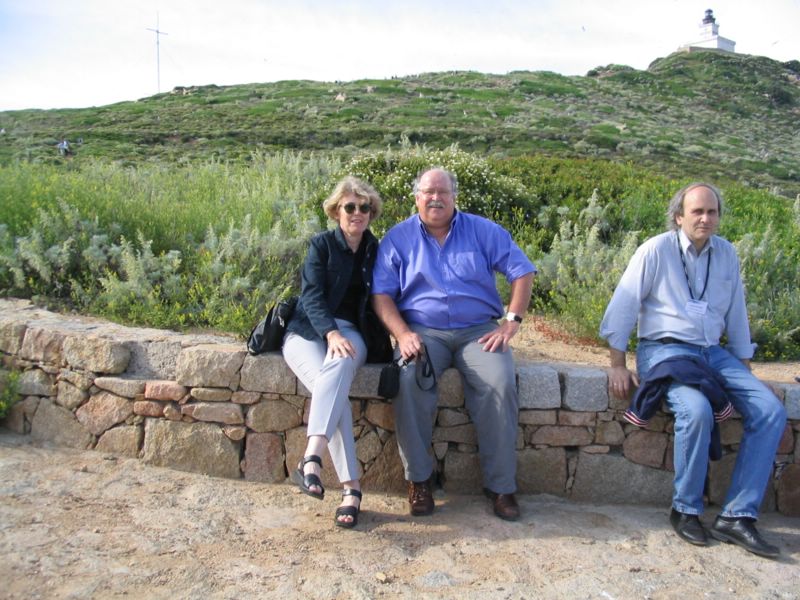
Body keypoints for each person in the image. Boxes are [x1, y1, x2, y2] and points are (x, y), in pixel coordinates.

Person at [600, 182, 787, 558]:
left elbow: (736, 313)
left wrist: (744, 370)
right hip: (664, 350)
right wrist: (617, 364)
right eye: (697, 211)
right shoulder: (655, 250)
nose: (705, 218)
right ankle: (685, 509)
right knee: (696, 410)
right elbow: (624, 304)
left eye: (711, 211)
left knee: (770, 410)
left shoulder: (727, 253)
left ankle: (737, 516)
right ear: (678, 217)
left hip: (712, 353)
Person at [372, 167, 536, 521]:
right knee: (408, 380)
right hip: (422, 331)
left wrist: (511, 322)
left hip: (479, 331)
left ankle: (501, 486)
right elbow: (381, 295)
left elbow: (522, 271)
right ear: (416, 197)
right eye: (428, 192)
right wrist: (402, 334)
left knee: (500, 382)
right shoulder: (397, 238)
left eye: (442, 192)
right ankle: (419, 481)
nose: (435, 198)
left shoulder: (483, 231)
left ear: (454, 196)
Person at [282, 176, 392, 529]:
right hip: (308, 330)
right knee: (334, 391)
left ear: (371, 213)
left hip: (352, 332)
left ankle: (311, 459)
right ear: (336, 211)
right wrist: (330, 333)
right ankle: (351, 489)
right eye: (350, 207)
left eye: (364, 207)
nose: (357, 213)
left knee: (339, 367)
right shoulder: (322, 245)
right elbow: (311, 295)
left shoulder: (376, 250)